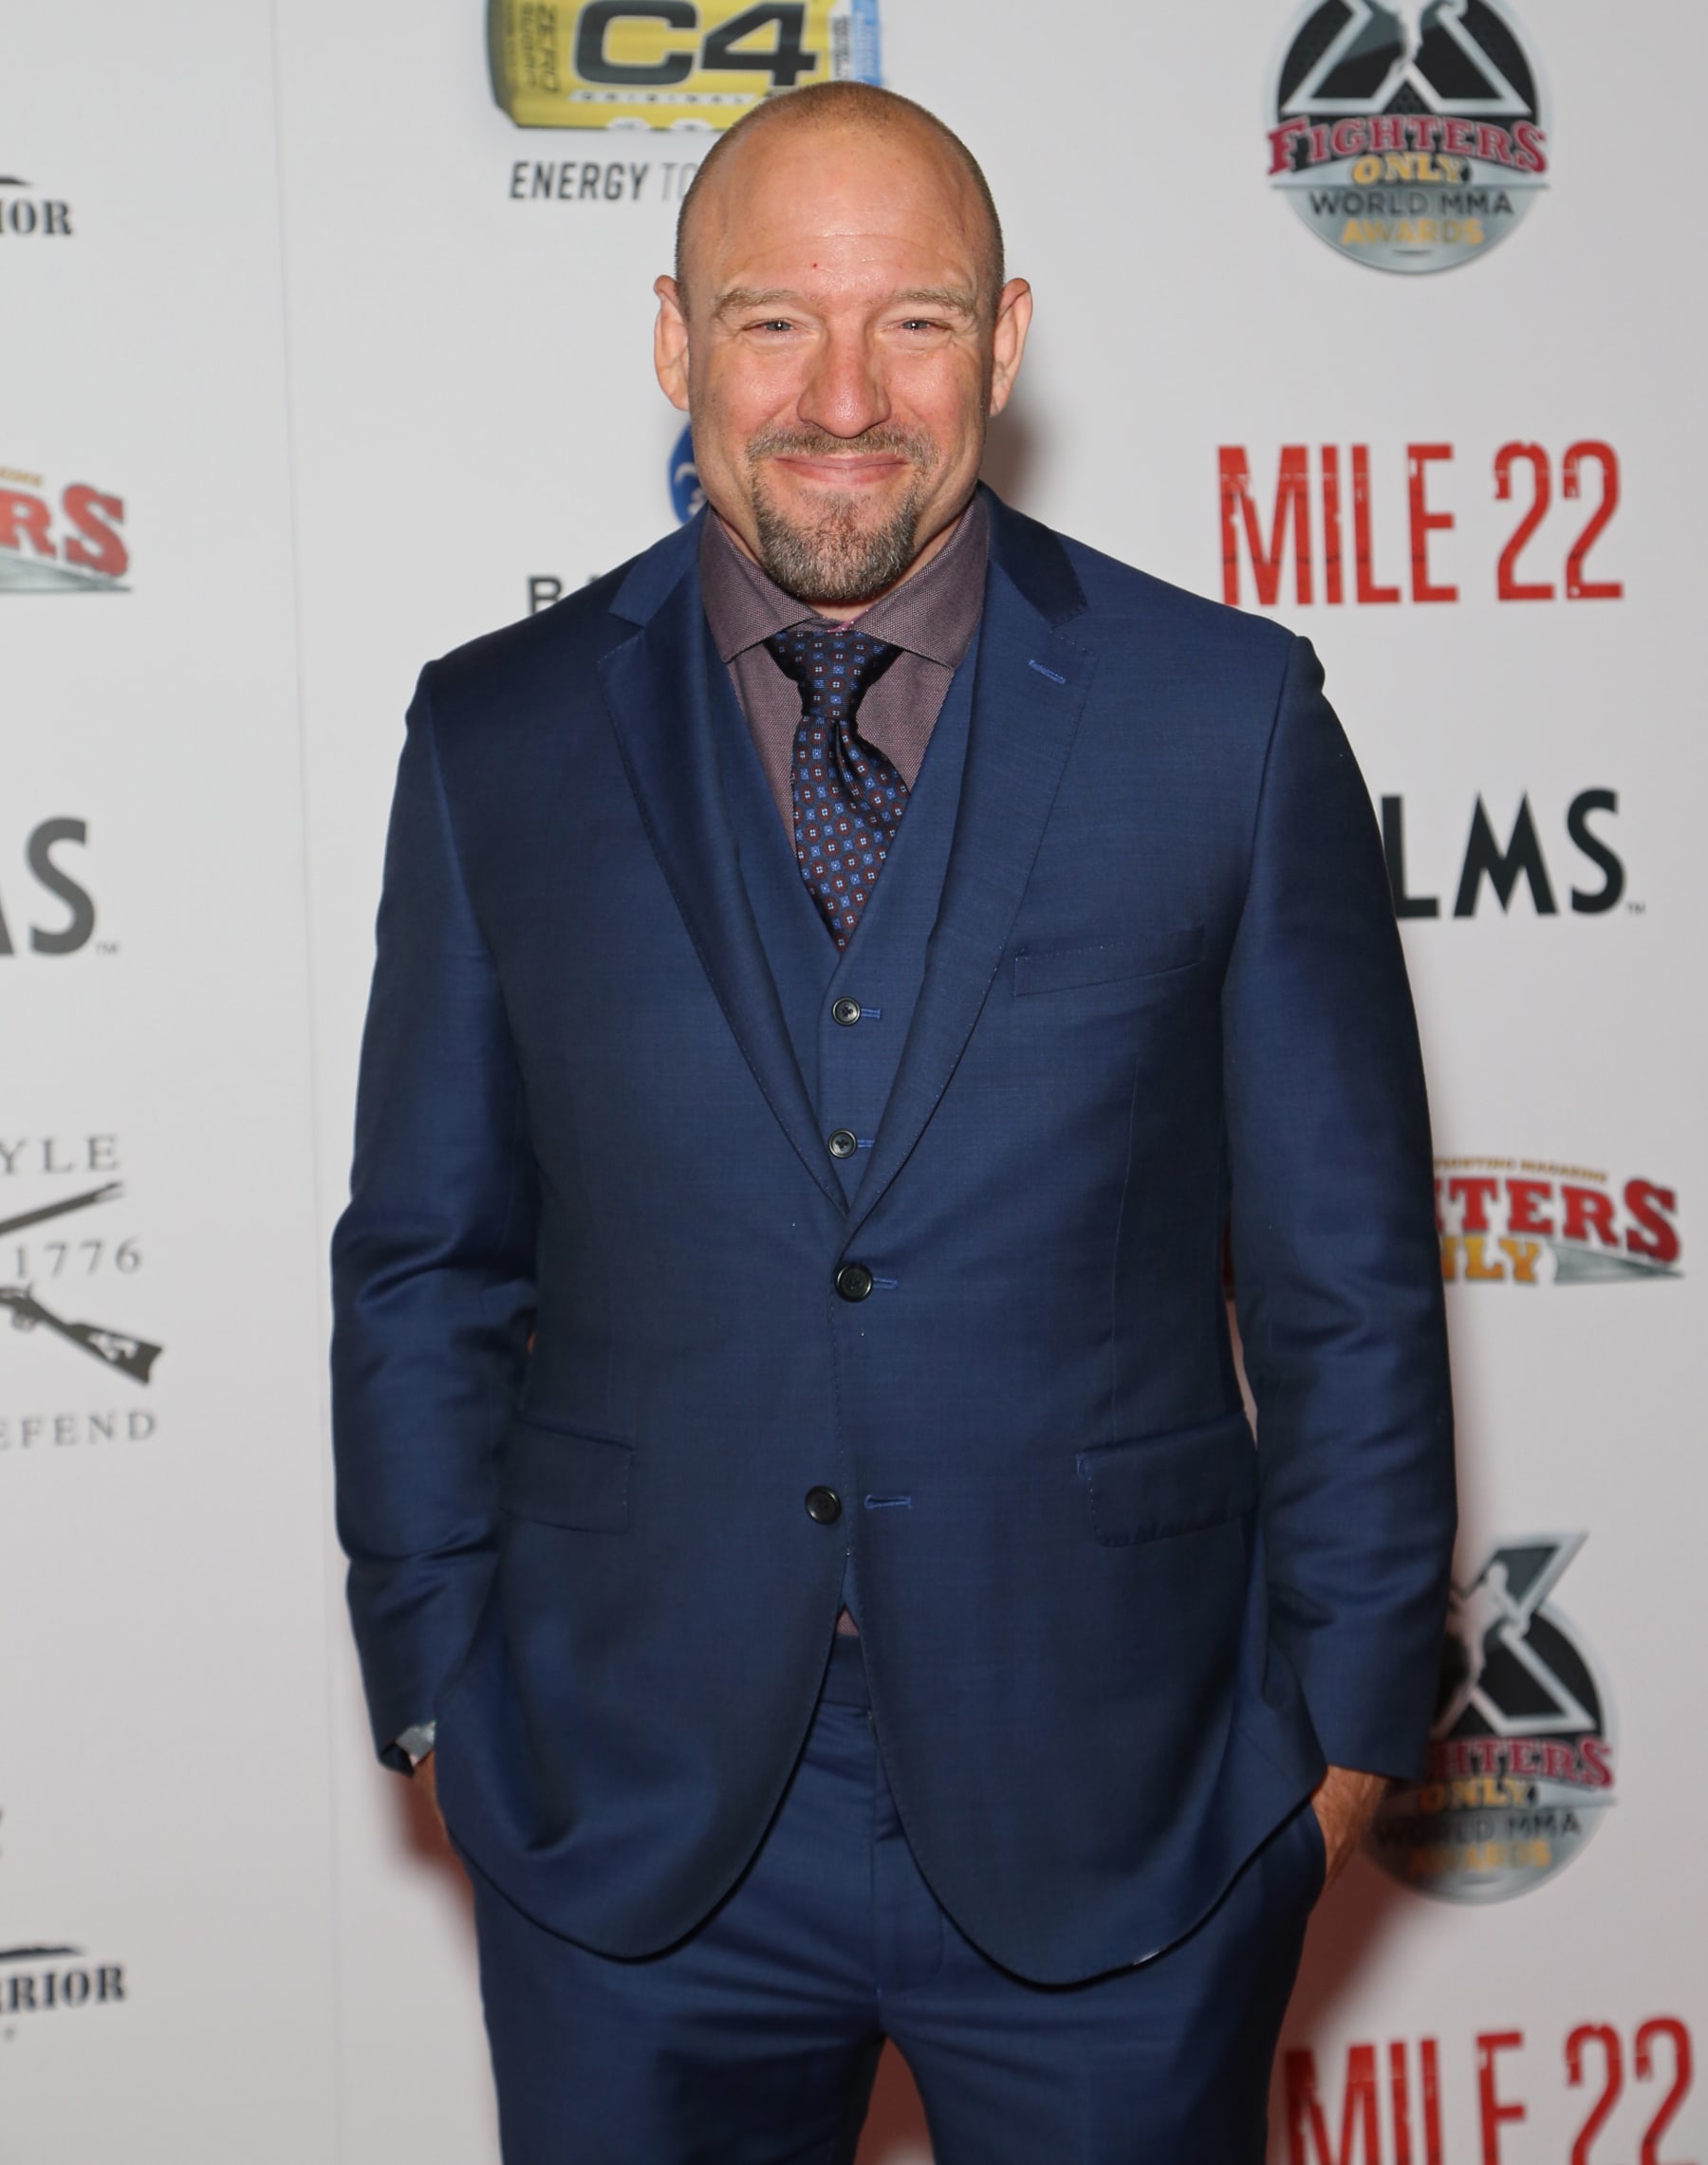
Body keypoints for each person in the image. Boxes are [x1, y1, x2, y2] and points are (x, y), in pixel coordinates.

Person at [331, 80, 1455, 2165]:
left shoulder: (1225, 719)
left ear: (1004, 344)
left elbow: (1352, 1281)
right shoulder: (496, 733)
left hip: (1133, 1800)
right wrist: (435, 1683)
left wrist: (1350, 1742)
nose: (841, 396)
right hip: (626, 1818)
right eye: (773, 320)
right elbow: (427, 1258)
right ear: (672, 341)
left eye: (912, 321)